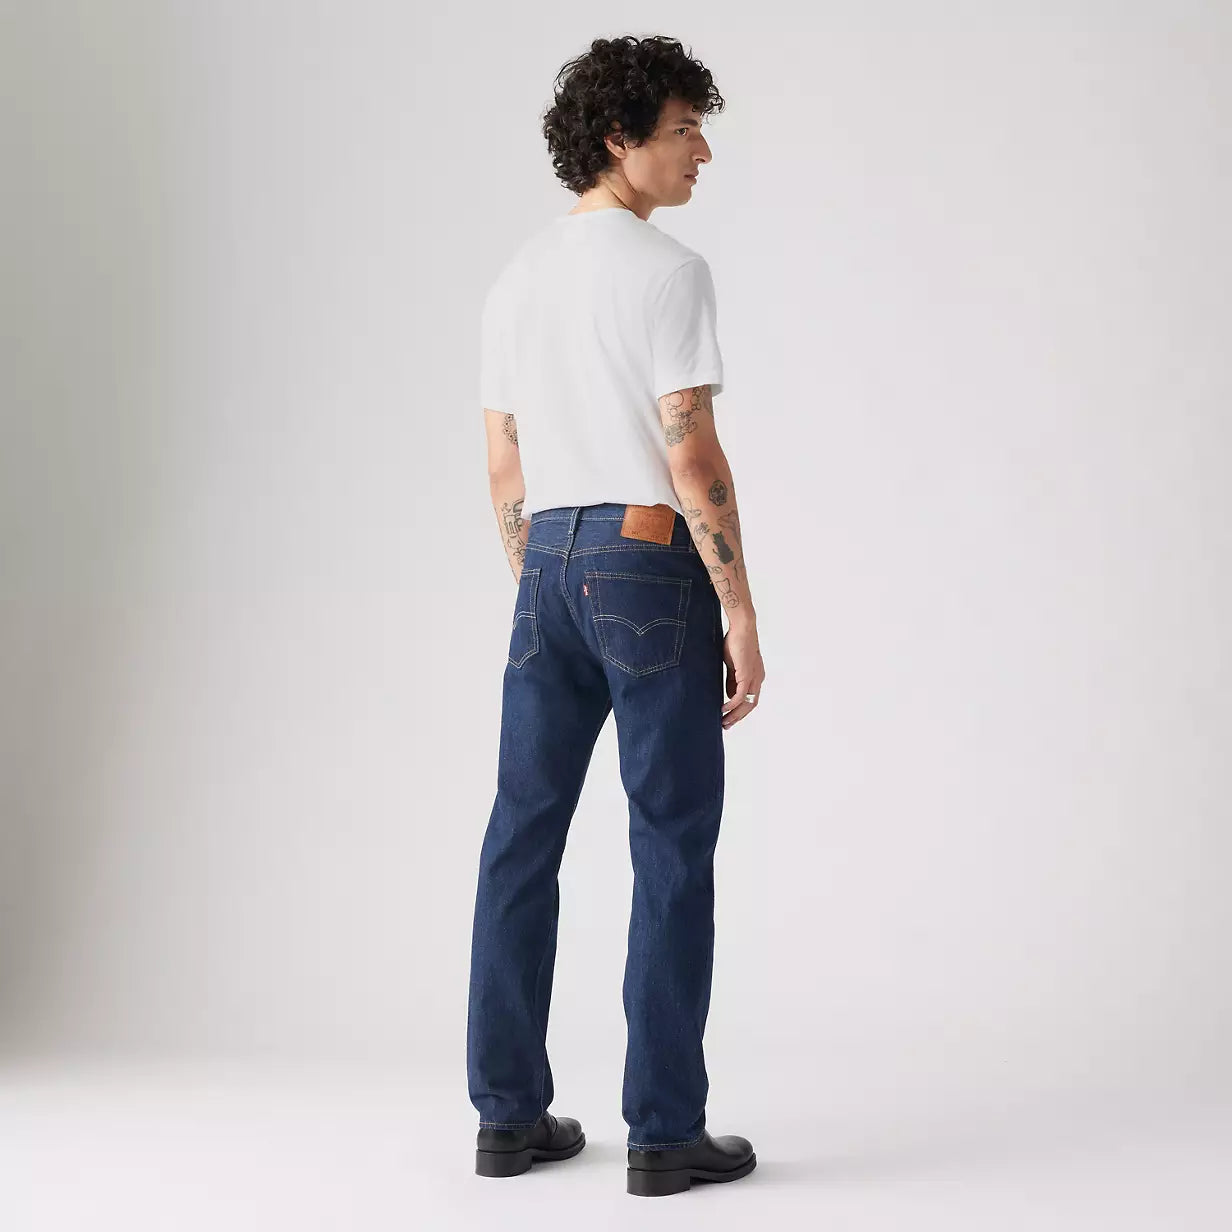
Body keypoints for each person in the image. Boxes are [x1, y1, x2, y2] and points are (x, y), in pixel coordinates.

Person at [467, 34, 765, 1198]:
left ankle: (505, 1118)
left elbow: (503, 460)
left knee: (519, 838)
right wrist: (737, 605)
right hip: (647, 561)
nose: (701, 153)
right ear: (617, 138)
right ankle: (662, 1131)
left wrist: (544, 578)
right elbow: (690, 454)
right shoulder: (666, 270)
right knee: (670, 843)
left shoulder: (515, 279)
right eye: (684, 130)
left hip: (543, 560)